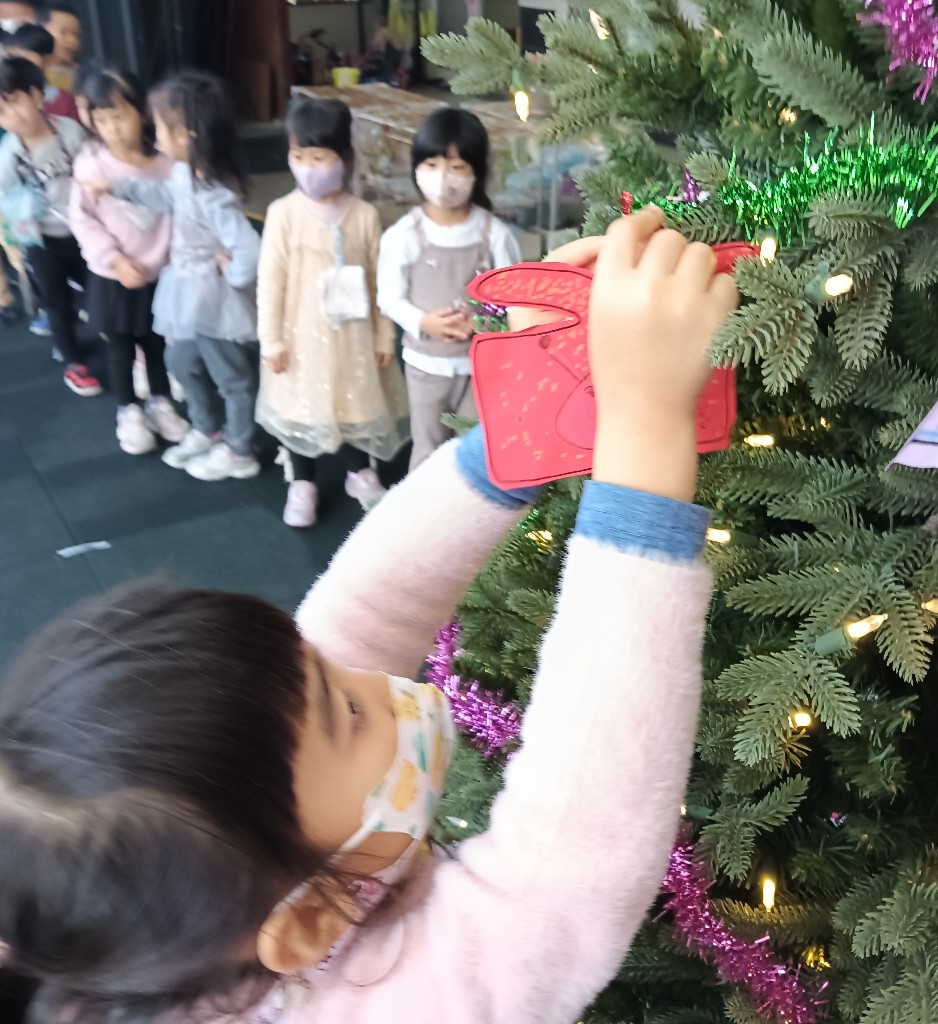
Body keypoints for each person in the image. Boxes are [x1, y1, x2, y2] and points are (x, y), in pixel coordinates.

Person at [0, 205, 739, 1024]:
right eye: (349, 713)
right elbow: (567, 868)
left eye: (324, 673)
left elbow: (364, 611)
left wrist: (526, 427)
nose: (375, 682)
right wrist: (645, 433)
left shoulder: (232, 910)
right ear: (307, 925)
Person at [85, 70, 262, 480]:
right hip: (187, 293)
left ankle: (240, 450)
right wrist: (117, 187)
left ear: (186, 135)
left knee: (231, 378)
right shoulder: (183, 173)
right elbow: (165, 196)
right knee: (180, 361)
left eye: (160, 127)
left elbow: (248, 249)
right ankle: (207, 429)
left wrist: (234, 278)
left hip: (214, 300)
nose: (155, 135)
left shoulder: (214, 192)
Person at [257, 98, 409, 528]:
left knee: (356, 401)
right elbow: (270, 282)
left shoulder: (364, 215)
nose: (307, 167)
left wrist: (383, 336)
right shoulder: (283, 214)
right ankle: (302, 480)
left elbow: (380, 283)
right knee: (302, 406)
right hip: (300, 338)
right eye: (298, 156)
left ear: (344, 157)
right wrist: (271, 340)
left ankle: (359, 471)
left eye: (318, 157)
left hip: (353, 337)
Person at [378, 107, 521, 471]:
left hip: (479, 367)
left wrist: (484, 324)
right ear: (416, 168)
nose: (443, 179)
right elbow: (389, 297)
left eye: (457, 167)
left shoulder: (493, 234)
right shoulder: (405, 234)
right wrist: (424, 322)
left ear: (477, 172)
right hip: (426, 365)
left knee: (477, 447)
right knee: (427, 447)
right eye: (432, 165)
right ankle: (422, 506)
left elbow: (512, 296)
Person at [69, 65, 189, 456]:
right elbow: (82, 220)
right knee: (120, 348)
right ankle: (129, 411)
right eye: (101, 120)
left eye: (119, 116)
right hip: (114, 276)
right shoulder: (92, 165)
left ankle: (160, 403)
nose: (112, 129)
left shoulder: (166, 162)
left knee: (156, 345)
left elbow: (183, 212)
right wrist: (114, 260)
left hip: (161, 274)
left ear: (142, 111)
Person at [0, 56, 95, 393]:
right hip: (41, 239)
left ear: (38, 96)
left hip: (85, 231)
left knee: (98, 289)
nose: (9, 115)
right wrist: (15, 243)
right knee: (56, 302)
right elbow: (6, 201)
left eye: (13, 102)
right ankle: (72, 361)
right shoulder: (8, 155)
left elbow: (90, 169)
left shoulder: (68, 131)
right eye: (0, 111)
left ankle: (120, 342)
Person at [5, 22, 77, 120]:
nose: (18, 64)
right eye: (13, 57)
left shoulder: (64, 99)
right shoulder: (5, 95)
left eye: (25, 58)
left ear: (47, 59)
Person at [40, 1, 78, 93]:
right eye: (64, 32)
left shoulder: (82, 77)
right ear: (41, 31)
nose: (72, 41)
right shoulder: (27, 74)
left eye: (76, 35)